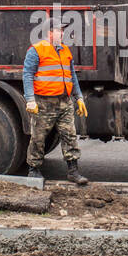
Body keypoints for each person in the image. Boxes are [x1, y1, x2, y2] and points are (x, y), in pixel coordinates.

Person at [23, 23, 88, 185]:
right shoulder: (37, 50)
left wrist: (79, 97)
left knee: (69, 135)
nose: (62, 33)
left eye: (63, 31)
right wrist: (30, 100)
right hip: (44, 102)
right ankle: (33, 170)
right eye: (60, 30)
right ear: (50, 32)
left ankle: (73, 171)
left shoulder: (65, 51)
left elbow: (72, 76)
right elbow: (27, 75)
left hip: (64, 102)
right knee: (38, 137)